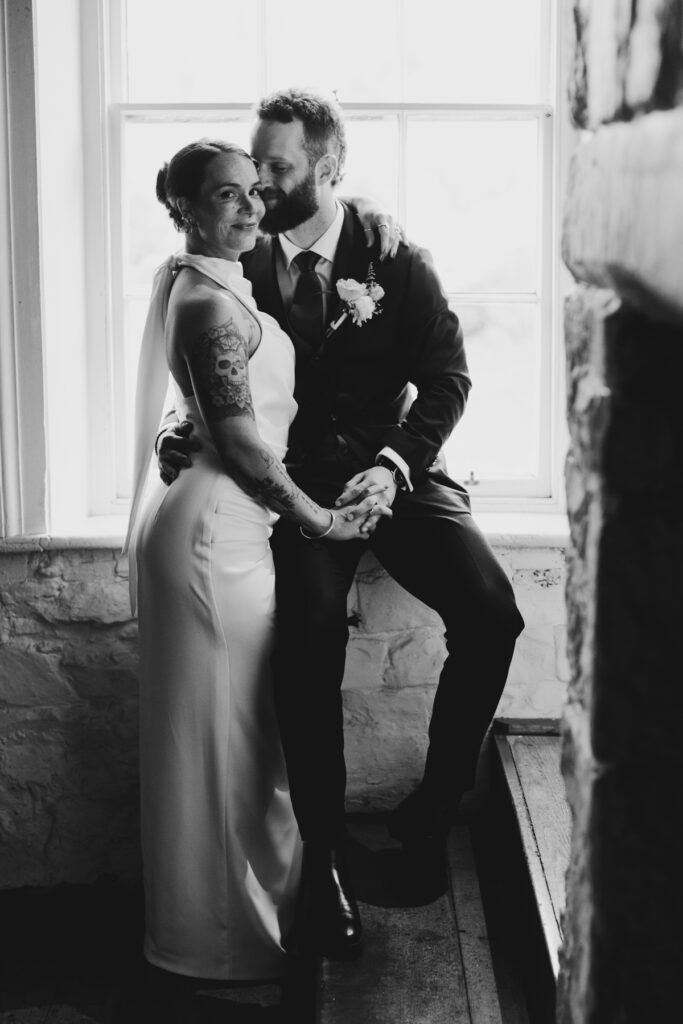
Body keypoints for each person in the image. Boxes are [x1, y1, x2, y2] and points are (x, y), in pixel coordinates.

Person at [159, 88, 526, 961]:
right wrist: (184, 423)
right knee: (310, 638)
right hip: (295, 491)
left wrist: (395, 465)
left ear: (326, 170)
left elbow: (448, 378)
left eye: (275, 169)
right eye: (249, 170)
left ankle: (433, 809)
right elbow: (209, 363)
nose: (256, 185)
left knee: (492, 611)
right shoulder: (235, 253)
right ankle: (320, 859)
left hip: (397, 476)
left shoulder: (396, 257)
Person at [123, 139, 393, 982]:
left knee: (240, 735)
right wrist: (317, 519)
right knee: (223, 741)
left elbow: (207, 401)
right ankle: (219, 942)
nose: (248, 209)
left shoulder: (205, 281)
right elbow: (240, 438)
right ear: (184, 210)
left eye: (252, 192)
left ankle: (249, 917)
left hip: (226, 526)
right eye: (226, 197)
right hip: (214, 540)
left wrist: (184, 420)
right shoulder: (204, 300)